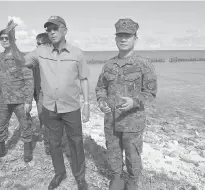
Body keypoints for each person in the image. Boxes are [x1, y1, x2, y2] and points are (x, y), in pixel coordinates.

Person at [9, 16, 90, 190]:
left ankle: (80, 178)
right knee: (53, 143)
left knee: (76, 143)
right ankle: (59, 173)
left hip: (72, 107)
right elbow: (21, 61)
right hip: (50, 107)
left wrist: (87, 104)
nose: (51, 32)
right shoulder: (41, 52)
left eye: (55, 28)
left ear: (65, 30)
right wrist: (12, 41)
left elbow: (84, 79)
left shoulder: (77, 53)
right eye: (48, 29)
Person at [95, 18, 158, 190]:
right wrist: (101, 102)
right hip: (111, 121)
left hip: (133, 122)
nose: (123, 39)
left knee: (133, 155)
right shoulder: (109, 65)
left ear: (135, 39)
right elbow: (100, 88)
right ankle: (116, 178)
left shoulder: (144, 64)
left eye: (127, 36)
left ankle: (131, 182)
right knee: (113, 151)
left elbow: (150, 92)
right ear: (115, 39)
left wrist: (135, 102)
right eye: (120, 36)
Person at [0, 20, 34, 163]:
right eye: (2, 38)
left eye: (7, 38)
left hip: (19, 100)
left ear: (13, 39)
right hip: (2, 100)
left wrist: (28, 100)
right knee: (0, 124)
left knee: (25, 125)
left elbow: (29, 79)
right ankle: (1, 150)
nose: (4, 40)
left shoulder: (22, 57)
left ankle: (27, 151)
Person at [33, 33, 52, 155]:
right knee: (43, 120)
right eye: (37, 44)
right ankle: (48, 146)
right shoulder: (35, 60)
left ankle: (55, 143)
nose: (37, 46)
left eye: (39, 44)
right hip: (40, 95)